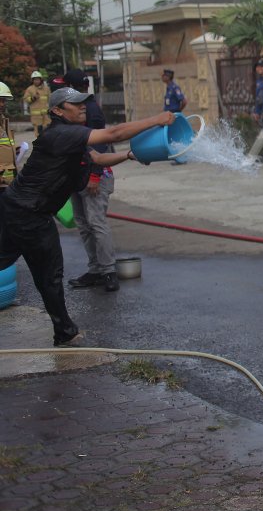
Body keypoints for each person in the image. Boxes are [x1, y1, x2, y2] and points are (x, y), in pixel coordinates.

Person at [0, 87, 175, 346]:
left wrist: (129, 155)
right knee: (49, 274)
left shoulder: (71, 137)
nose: (82, 106)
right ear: (58, 111)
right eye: (75, 103)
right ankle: (65, 332)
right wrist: (156, 120)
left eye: (83, 102)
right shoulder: (61, 133)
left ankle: (64, 330)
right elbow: (113, 133)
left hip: (18, 208)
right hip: (30, 215)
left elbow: (99, 158)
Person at [57, 70, 122, 293]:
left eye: (65, 86)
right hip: (76, 178)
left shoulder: (90, 111)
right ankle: (95, 270)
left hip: (94, 177)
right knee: (84, 225)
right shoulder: (70, 111)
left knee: (96, 224)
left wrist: (94, 175)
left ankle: (109, 271)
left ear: (75, 88)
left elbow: (101, 147)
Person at [0, 82, 17, 188]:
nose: (2, 104)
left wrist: (13, 150)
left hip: (6, 180)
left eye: (3, 100)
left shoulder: (3, 120)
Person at [23, 71, 50, 137]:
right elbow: (26, 99)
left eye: (37, 79)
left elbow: (50, 99)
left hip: (46, 115)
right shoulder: (30, 89)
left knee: (47, 131)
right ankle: (39, 145)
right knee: (38, 133)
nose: (36, 81)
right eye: (35, 79)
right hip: (36, 116)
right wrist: (33, 98)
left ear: (41, 80)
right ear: (32, 80)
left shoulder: (46, 89)